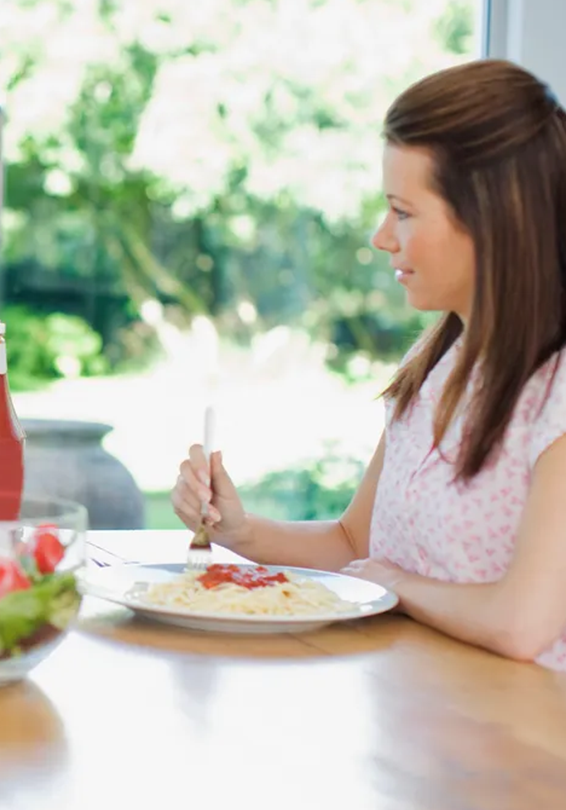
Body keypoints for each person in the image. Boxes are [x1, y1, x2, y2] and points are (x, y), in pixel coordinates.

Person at [171, 59, 566, 670]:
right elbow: (357, 545)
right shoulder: (436, 364)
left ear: (488, 219)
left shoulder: (557, 389)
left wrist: (396, 586)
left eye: (403, 212)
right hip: (425, 714)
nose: (383, 237)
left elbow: (522, 625)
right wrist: (238, 531)